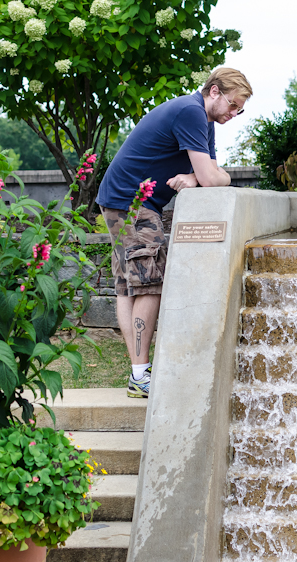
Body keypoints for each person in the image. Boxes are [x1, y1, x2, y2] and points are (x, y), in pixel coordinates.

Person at [95, 67, 253, 398]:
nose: (234, 114)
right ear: (214, 92)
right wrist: (204, 177)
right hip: (133, 202)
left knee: (128, 287)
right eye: (233, 105)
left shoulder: (202, 119)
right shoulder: (191, 113)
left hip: (120, 199)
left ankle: (138, 372)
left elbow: (209, 174)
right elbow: (214, 177)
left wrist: (198, 178)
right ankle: (140, 375)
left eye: (240, 109)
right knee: (150, 285)